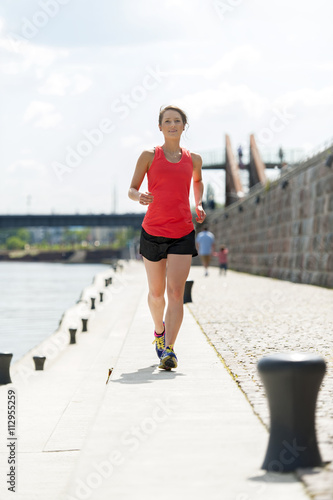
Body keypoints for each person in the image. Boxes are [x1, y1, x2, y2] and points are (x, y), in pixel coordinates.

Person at [128, 105, 206, 370]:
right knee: (156, 293)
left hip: (183, 230)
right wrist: (139, 196)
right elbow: (132, 188)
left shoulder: (193, 158)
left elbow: (197, 181)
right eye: (167, 121)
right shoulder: (149, 155)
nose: (172, 125)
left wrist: (199, 203)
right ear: (160, 127)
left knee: (176, 292)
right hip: (152, 231)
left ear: (185, 126)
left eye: (177, 121)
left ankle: (169, 350)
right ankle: (158, 332)